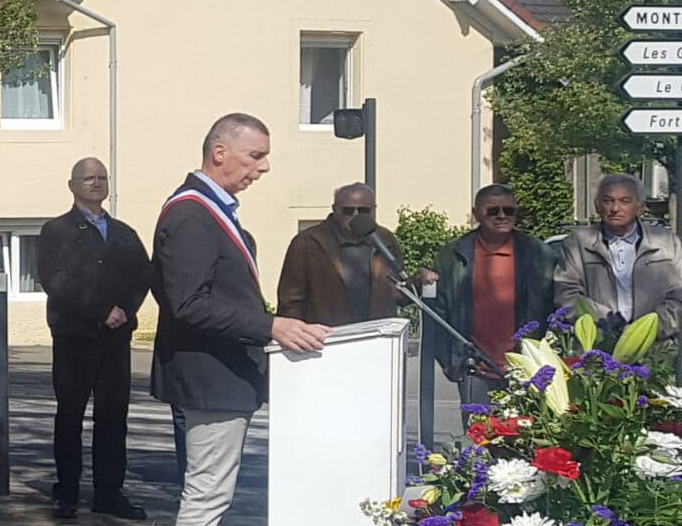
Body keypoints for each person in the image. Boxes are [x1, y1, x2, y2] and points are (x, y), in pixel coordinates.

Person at [149, 113, 329, 526]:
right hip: (210, 378)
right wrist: (270, 326)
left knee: (212, 493)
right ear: (220, 152)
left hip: (224, 374)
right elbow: (188, 303)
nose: (263, 167)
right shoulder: (191, 214)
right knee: (206, 495)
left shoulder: (213, 213)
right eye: (256, 155)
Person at [35, 157, 152, 521]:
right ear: (73, 185)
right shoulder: (56, 231)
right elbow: (55, 279)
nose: (96, 183)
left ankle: (109, 493)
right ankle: (67, 491)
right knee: (70, 415)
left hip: (115, 339)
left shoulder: (123, 233)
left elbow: (143, 275)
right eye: (88, 178)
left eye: (102, 177)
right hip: (75, 337)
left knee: (113, 417)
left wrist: (125, 310)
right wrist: (101, 309)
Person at [431, 185, 555, 405]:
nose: (501, 216)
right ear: (476, 213)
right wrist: (449, 362)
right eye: (492, 210)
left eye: (509, 210)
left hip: (527, 366)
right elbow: (438, 312)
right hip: (474, 368)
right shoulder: (453, 255)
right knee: (478, 427)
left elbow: (554, 308)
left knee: (527, 427)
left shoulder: (539, 255)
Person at [555, 173, 682, 338]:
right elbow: (567, 296)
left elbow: (678, 297)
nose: (615, 209)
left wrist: (645, 331)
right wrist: (610, 323)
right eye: (608, 201)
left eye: (625, 201)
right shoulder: (577, 243)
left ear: (640, 207)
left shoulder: (667, 242)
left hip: (657, 344)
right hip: (600, 344)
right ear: (597, 206)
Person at [276, 183, 401, 327]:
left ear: (373, 210)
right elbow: (291, 300)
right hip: (327, 333)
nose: (355, 216)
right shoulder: (308, 242)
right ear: (335, 209)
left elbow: (397, 290)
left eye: (363, 211)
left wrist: (418, 283)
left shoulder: (384, 238)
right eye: (348, 211)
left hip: (376, 331)